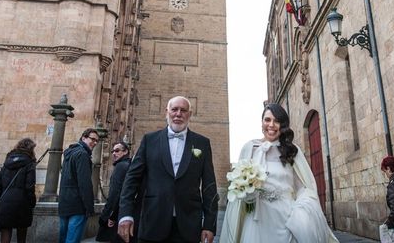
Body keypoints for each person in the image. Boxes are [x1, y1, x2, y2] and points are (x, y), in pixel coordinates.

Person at [220, 103, 338, 243]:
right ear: (262, 122)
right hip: (257, 220)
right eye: (267, 120)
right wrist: (246, 194)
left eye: (277, 121)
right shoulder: (250, 148)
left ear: (283, 125)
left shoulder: (292, 151)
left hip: (286, 219)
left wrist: (301, 213)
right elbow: (238, 185)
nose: (271, 125)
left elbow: (304, 186)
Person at [117, 95, 218, 243]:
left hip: (188, 225)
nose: (178, 114)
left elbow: (209, 186)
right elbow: (131, 180)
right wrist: (125, 214)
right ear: (167, 112)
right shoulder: (149, 140)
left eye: (183, 110)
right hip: (152, 221)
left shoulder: (202, 143)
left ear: (189, 114)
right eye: (174, 109)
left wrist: (209, 224)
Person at [59, 128, 99, 243]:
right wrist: (89, 207)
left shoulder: (70, 152)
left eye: (97, 141)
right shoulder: (82, 154)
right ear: (83, 138)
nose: (95, 143)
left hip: (65, 202)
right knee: (72, 240)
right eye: (92, 139)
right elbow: (84, 183)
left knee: (63, 238)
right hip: (77, 204)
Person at [0, 138, 37, 243]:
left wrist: (0, 199)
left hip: (5, 200)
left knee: (6, 231)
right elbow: (30, 187)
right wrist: (32, 203)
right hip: (23, 202)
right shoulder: (29, 163)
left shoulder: (7, 163)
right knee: (21, 233)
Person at [97, 141, 133, 243]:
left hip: (117, 216)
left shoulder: (121, 166)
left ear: (125, 151)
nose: (113, 153)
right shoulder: (128, 165)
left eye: (117, 151)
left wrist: (109, 216)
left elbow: (115, 193)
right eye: (113, 151)